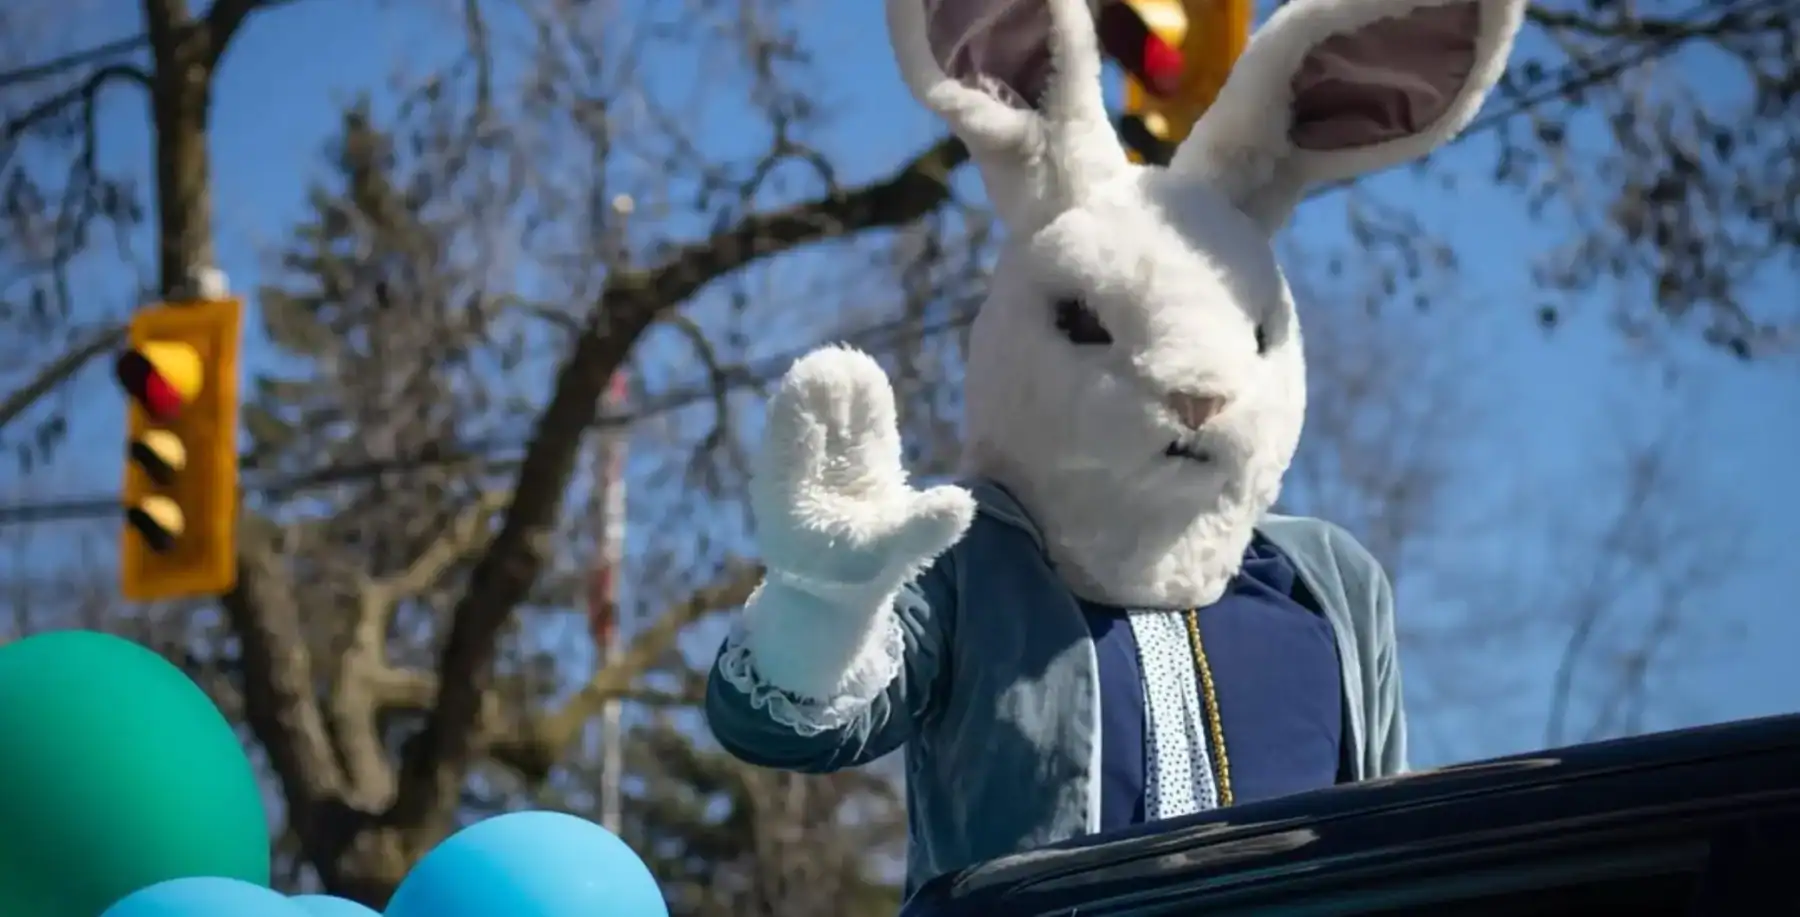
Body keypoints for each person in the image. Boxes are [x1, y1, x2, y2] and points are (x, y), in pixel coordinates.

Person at [705, 0, 1525, 897]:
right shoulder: (967, 569)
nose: (1202, 390)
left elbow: (1390, 845)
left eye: (1249, 336)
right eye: (1087, 324)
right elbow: (788, 725)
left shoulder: (1330, 587)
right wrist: (821, 604)